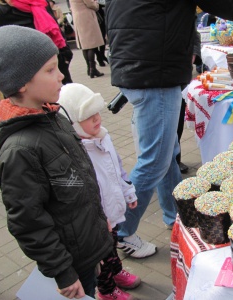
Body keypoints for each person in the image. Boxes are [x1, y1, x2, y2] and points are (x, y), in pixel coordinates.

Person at [105, 0, 233, 258]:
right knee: (154, 161)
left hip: (137, 62)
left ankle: (175, 215)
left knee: (165, 154)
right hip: (153, 71)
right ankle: (121, 233)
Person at [0, 25, 114, 299]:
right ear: (21, 82)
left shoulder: (53, 116)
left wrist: (98, 219)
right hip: (69, 260)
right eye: (49, 70)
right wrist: (62, 271)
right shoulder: (19, 150)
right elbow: (28, 221)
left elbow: (78, 180)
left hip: (86, 241)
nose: (61, 76)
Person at [58, 83, 141, 300]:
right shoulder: (76, 152)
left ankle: (116, 272)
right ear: (73, 123)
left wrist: (128, 190)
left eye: (97, 112)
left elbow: (117, 167)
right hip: (98, 218)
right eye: (88, 116)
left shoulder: (104, 137)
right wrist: (97, 217)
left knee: (112, 246)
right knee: (103, 255)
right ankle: (106, 289)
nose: (97, 119)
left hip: (113, 210)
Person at [0, 0, 74, 85]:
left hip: (58, 69)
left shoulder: (41, 3)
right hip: (27, 80)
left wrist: (65, 56)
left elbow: (56, 30)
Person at [70, 0, 104, 78]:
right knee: (91, 44)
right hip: (86, 17)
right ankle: (93, 69)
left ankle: (89, 68)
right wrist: (96, 3)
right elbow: (91, 4)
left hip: (77, 17)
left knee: (85, 45)